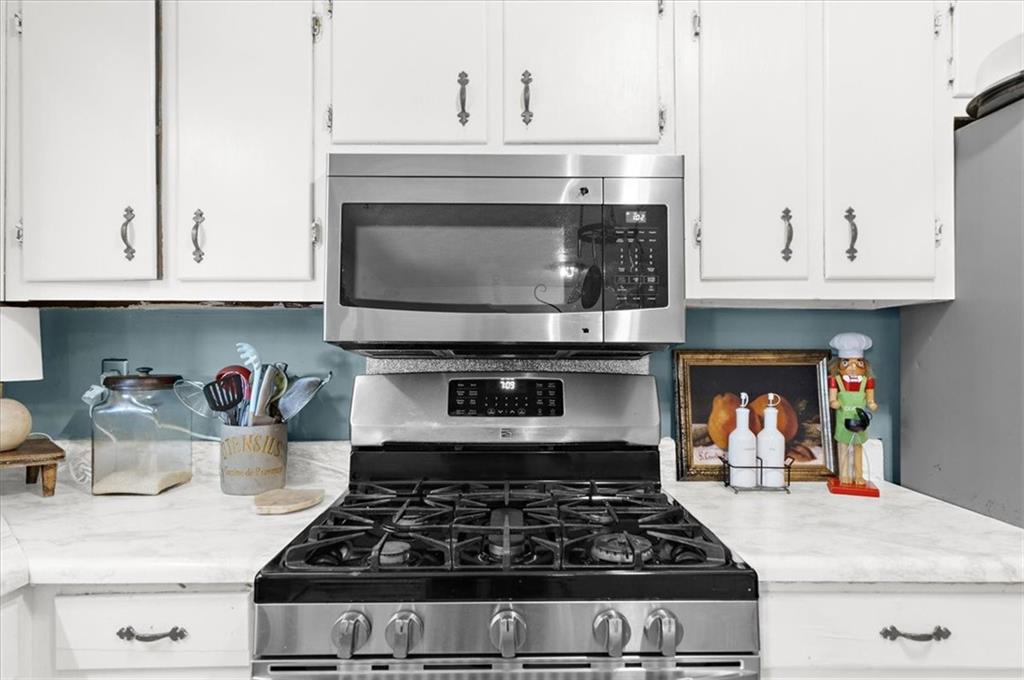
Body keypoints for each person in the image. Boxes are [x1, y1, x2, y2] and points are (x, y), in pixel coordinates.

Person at [828, 332, 879, 486]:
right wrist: (833, 402)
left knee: (858, 447)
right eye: (847, 363)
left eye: (858, 362)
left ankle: (859, 474)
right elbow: (832, 398)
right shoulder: (835, 380)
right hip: (843, 419)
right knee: (843, 446)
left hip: (860, 419)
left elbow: (870, 398)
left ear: (864, 364)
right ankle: (844, 474)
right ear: (839, 364)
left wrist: (871, 404)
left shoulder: (867, 381)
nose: (852, 367)